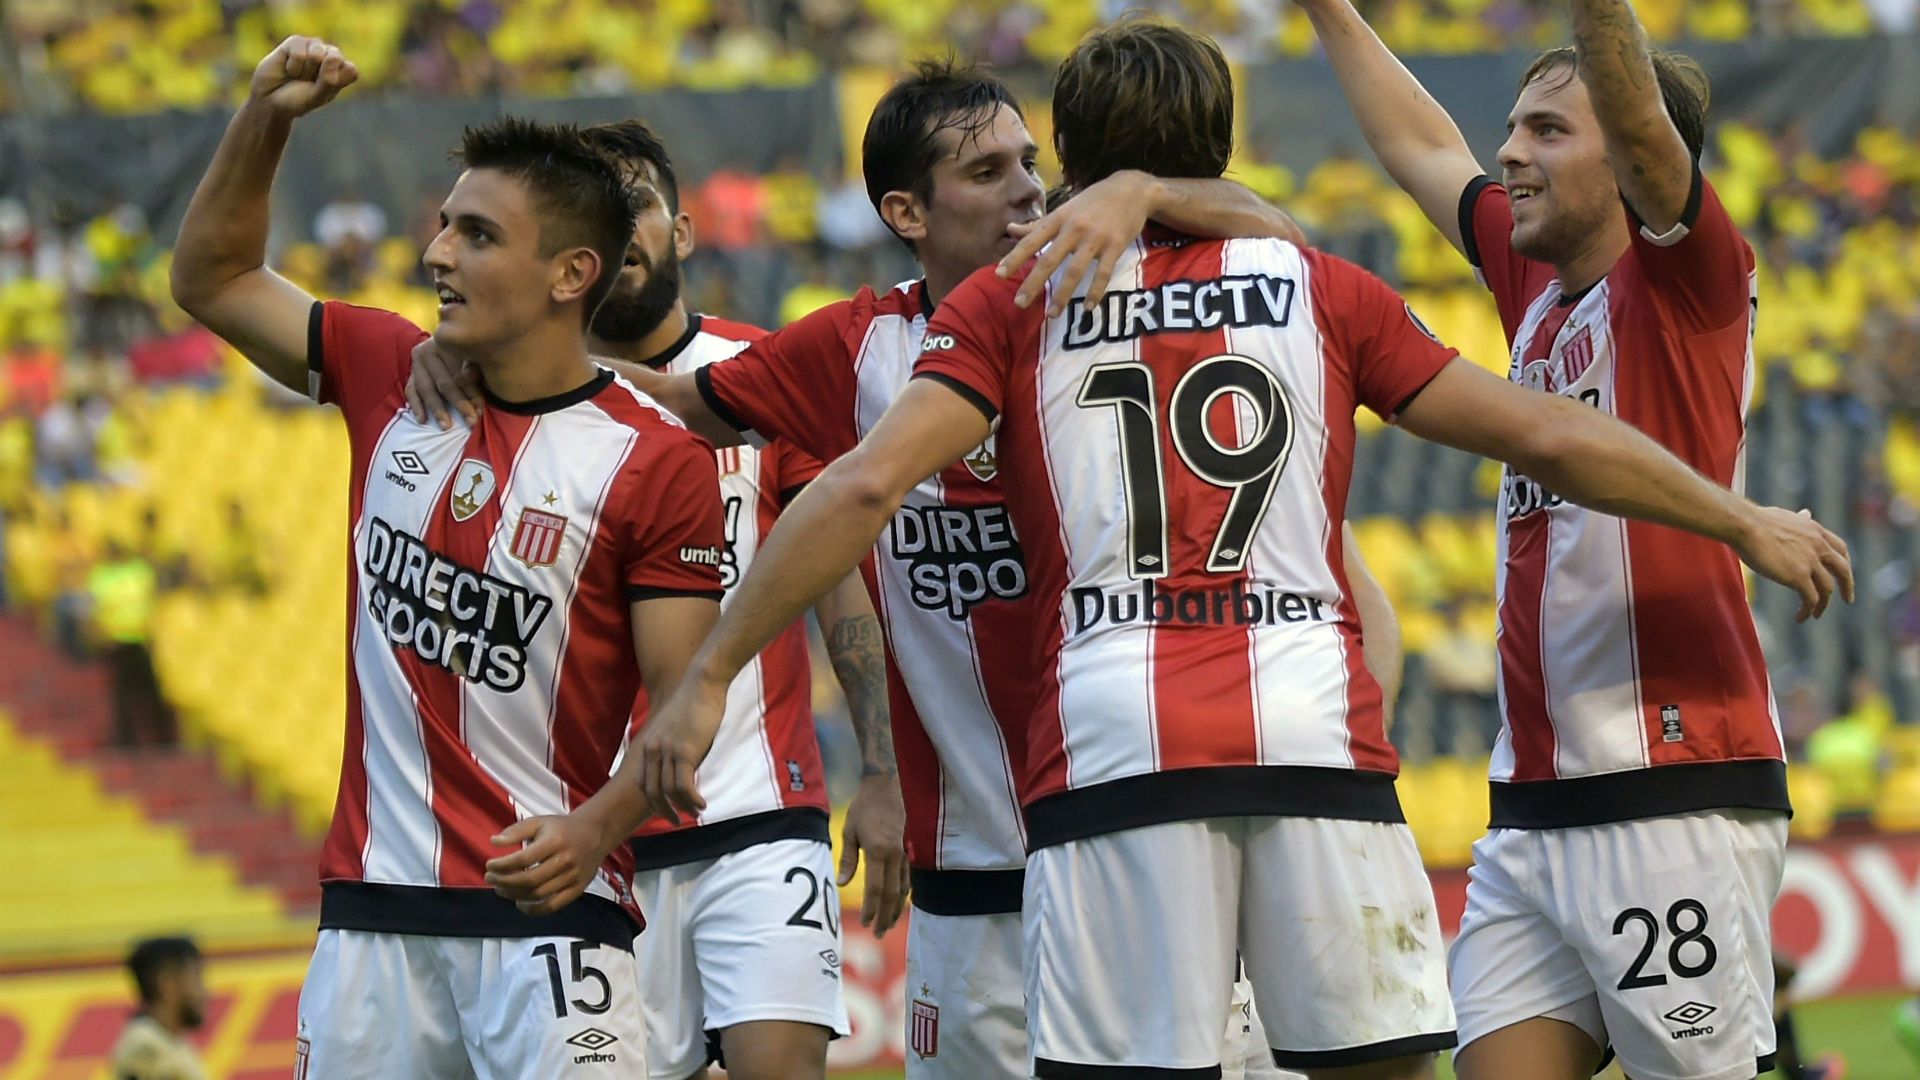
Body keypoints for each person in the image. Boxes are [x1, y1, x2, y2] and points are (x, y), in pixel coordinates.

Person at [586, 18, 1845, 1079]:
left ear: (1072, 159)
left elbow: (858, 485)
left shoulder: (1014, 306)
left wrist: (707, 676)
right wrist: (1741, 517)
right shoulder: (1317, 282)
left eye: (1035, 164)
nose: (1025, 193)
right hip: (1320, 748)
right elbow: (1538, 425)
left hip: (1118, 759)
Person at [451, 58, 1368, 1080]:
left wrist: (1146, 190)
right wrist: (484, 353)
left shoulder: (1112, 300)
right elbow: (672, 404)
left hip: (1145, 836)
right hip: (969, 875)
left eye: (1031, 163)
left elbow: (1275, 235)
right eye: (987, 171)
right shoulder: (857, 349)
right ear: (905, 212)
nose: (1028, 191)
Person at [1295, 0, 1843, 1074]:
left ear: (1633, 163)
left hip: (1668, 790)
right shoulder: (1534, 287)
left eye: (1547, 130)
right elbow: (1421, 147)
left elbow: (1641, 122)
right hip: (1531, 810)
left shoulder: (1687, 285)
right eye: (1514, 127)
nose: (1510, 152)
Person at [170, 36, 727, 1078]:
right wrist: (265, 118)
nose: (437, 255)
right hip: (372, 922)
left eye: (476, 235)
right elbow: (213, 276)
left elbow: (684, 711)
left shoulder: (655, 462)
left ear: (571, 273)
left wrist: (597, 827)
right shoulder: (390, 373)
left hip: (552, 923)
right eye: (443, 226)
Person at [584, 117, 901, 1080]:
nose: (621, 231)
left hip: (763, 811)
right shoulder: (524, 402)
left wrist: (881, 771)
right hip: (597, 837)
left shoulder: (762, 373)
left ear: (682, 230)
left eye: (638, 205)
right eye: (594, 213)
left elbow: (839, 576)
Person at [111, 937, 209, 1080]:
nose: (205, 992)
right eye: (196, 978)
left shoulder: (172, 1043)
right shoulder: (145, 1049)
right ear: (168, 984)